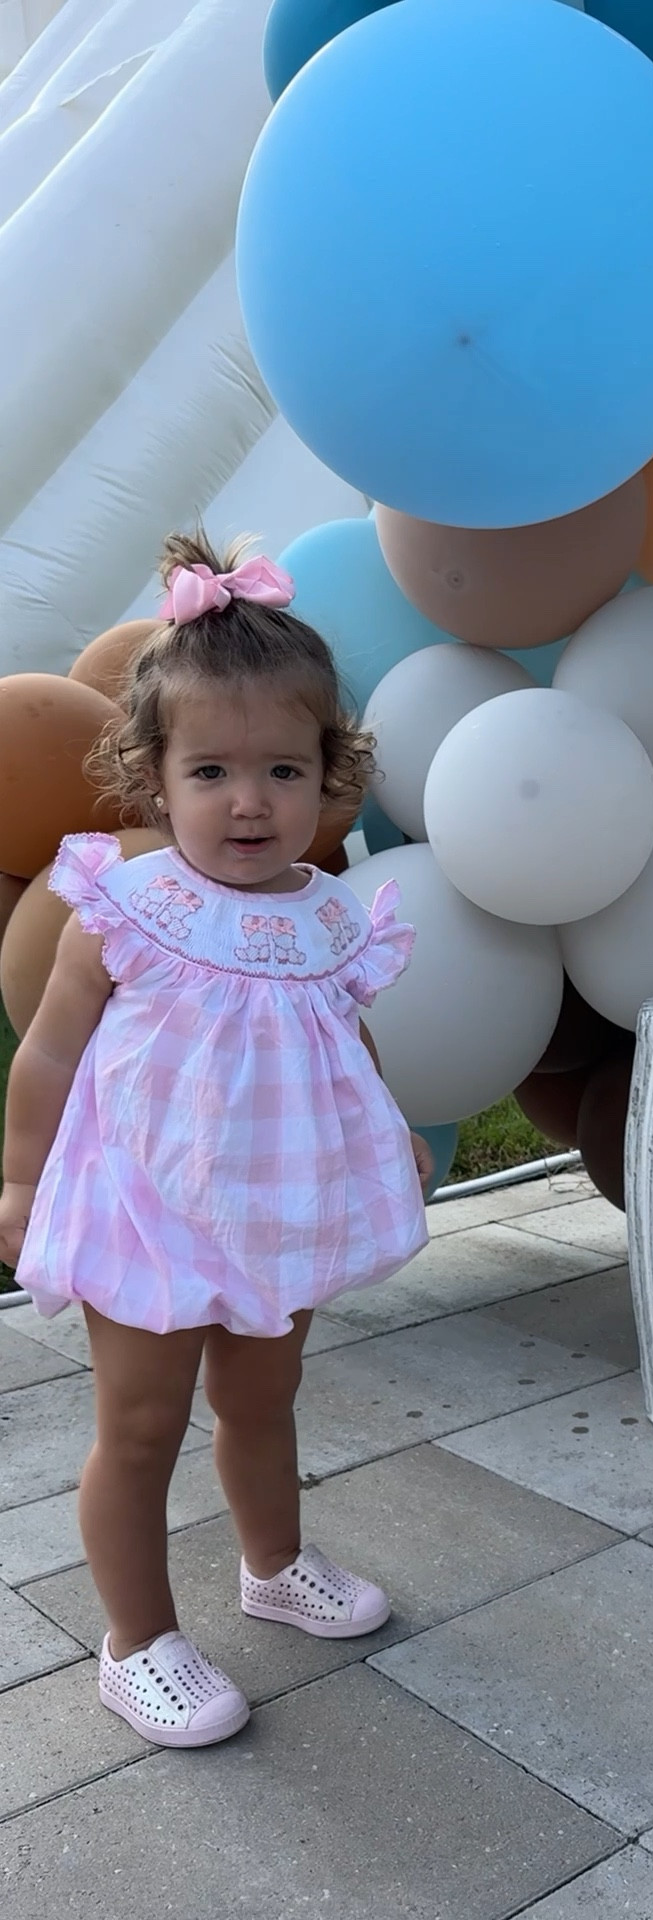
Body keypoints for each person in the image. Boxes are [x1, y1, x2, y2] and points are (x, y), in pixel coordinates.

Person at [0, 532, 433, 1747]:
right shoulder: (126, 904)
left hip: (274, 1209)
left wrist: (389, 1130)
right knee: (141, 1426)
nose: (251, 802)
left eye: (286, 771)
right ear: (154, 775)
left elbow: (347, 1046)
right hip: (146, 1205)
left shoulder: (331, 917)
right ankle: (135, 1640)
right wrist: (21, 1176)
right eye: (213, 773)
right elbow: (47, 1049)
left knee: (266, 1396)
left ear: (328, 776)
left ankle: (272, 1565)